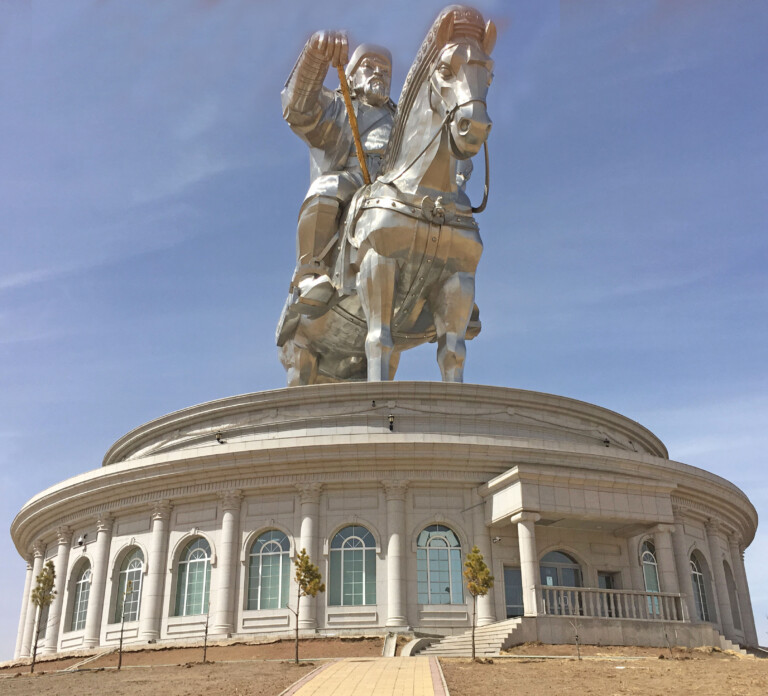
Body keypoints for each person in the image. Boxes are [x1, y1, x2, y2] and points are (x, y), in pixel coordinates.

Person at [281, 32, 395, 306]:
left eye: (385, 70)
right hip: (354, 179)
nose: (378, 73)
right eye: (369, 66)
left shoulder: (401, 117)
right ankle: (311, 271)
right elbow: (299, 109)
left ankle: (447, 284)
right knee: (326, 188)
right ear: (353, 75)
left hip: (396, 186)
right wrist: (315, 56)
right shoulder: (339, 106)